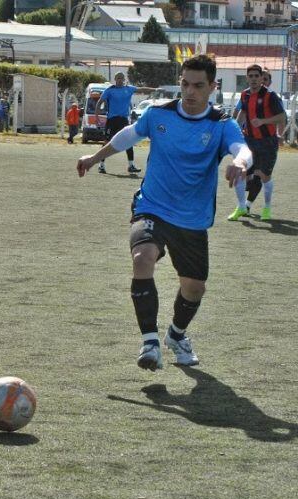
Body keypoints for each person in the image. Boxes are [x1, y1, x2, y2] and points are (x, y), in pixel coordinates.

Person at [77, 55, 252, 372]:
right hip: (152, 206)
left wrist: (240, 163)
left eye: (199, 85)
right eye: (185, 83)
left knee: (194, 289)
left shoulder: (221, 124)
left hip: (192, 219)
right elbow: (128, 135)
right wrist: (95, 156)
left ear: (212, 87)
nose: (190, 91)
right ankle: (149, 343)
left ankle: (176, 335)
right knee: (142, 257)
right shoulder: (159, 114)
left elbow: (242, 149)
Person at [227, 64, 286, 222]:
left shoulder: (271, 96)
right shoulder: (244, 95)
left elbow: (281, 118)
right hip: (249, 141)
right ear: (247, 78)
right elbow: (243, 112)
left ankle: (266, 207)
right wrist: (236, 128)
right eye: (250, 76)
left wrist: (263, 121)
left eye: (256, 76)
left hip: (268, 142)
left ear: (261, 78)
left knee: (263, 176)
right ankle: (241, 207)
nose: (253, 79)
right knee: (241, 170)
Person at [95, 72, 155, 174]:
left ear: (124, 79)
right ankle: (101, 165)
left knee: (129, 141)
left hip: (123, 120)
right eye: (118, 78)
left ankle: (131, 165)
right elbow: (100, 102)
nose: (120, 80)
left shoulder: (129, 89)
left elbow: (142, 89)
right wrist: (97, 116)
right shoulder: (109, 90)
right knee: (107, 142)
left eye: (121, 78)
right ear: (115, 79)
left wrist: (155, 90)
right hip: (112, 120)